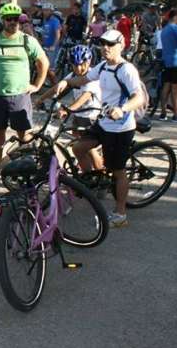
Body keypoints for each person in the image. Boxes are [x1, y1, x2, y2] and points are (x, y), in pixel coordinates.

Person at [51, 30, 143, 228]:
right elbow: (83, 80)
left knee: (117, 171)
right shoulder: (102, 66)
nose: (105, 48)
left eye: (110, 44)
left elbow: (139, 97)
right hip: (103, 123)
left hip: (120, 128)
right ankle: (92, 184)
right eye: (103, 44)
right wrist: (65, 81)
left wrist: (122, 109)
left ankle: (120, 214)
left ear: (121, 45)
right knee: (78, 148)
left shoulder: (127, 70)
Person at [0, 3, 49, 163]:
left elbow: (43, 62)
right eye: (9, 19)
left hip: (20, 95)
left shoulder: (27, 40)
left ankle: (27, 163)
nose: (13, 22)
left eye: (16, 19)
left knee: (23, 133)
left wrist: (37, 85)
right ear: (3, 20)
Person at [38, 45, 102, 133]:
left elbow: (83, 98)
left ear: (88, 62)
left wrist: (66, 110)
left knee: (84, 140)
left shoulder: (92, 76)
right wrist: (41, 99)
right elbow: (56, 88)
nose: (78, 68)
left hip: (91, 116)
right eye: (75, 65)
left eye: (81, 64)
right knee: (74, 137)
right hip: (78, 113)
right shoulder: (73, 75)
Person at [42, 5, 63, 70]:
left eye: (47, 10)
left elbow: (58, 34)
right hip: (45, 46)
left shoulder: (55, 21)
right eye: (44, 10)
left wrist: (54, 46)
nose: (45, 12)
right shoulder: (45, 20)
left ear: (51, 11)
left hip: (52, 48)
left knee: (51, 67)